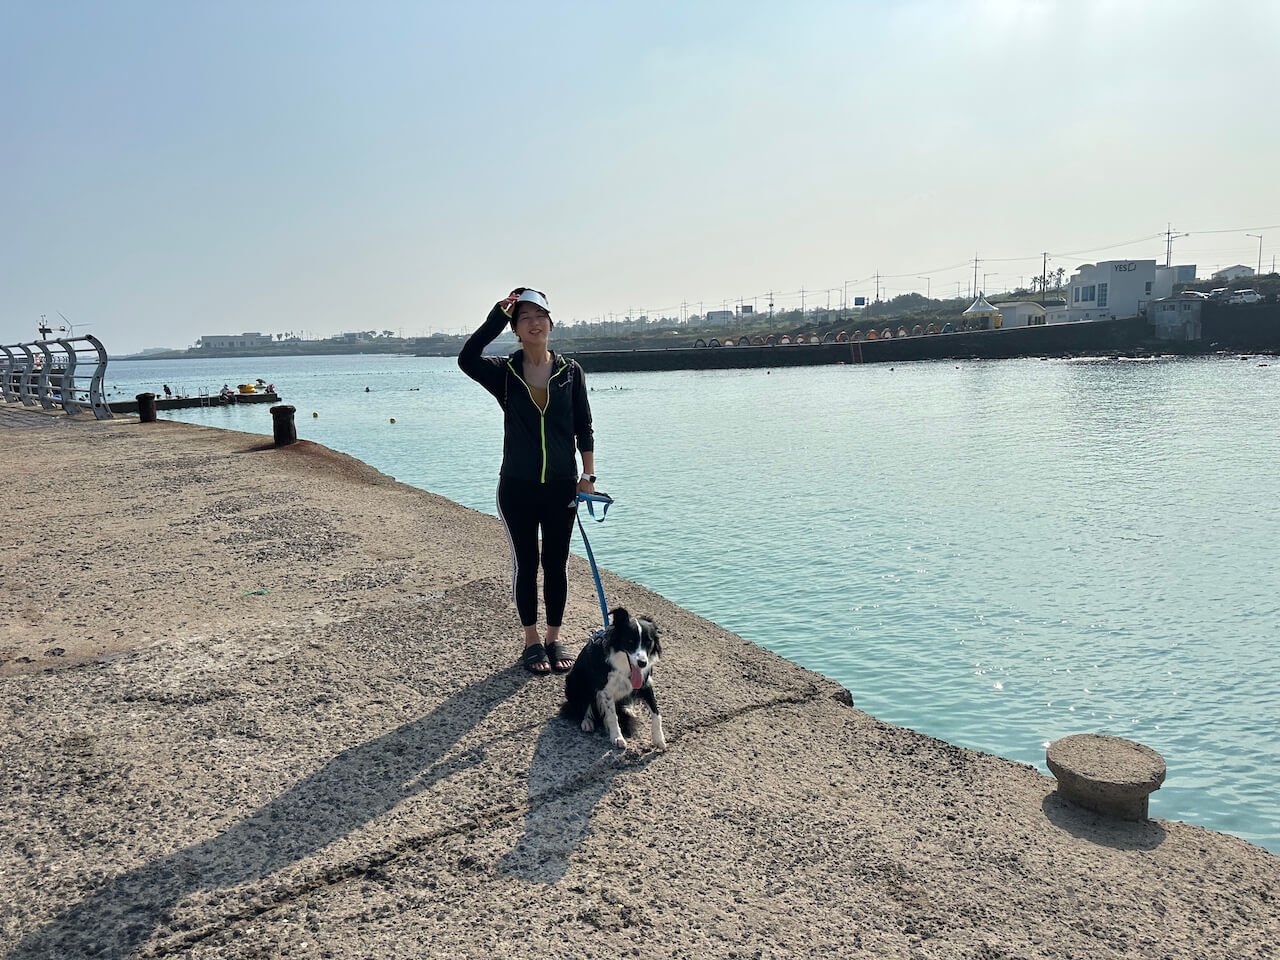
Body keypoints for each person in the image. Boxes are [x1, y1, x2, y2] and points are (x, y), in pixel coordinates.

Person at [459, 287, 597, 675]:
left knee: (557, 563)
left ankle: (555, 637)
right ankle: (531, 640)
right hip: (517, 487)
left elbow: (583, 427)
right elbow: (466, 359)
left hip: (561, 487)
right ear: (516, 329)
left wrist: (587, 475)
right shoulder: (504, 374)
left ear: (551, 323)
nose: (534, 322)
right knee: (527, 562)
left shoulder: (571, 372)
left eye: (540, 315)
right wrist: (496, 316)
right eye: (525, 318)